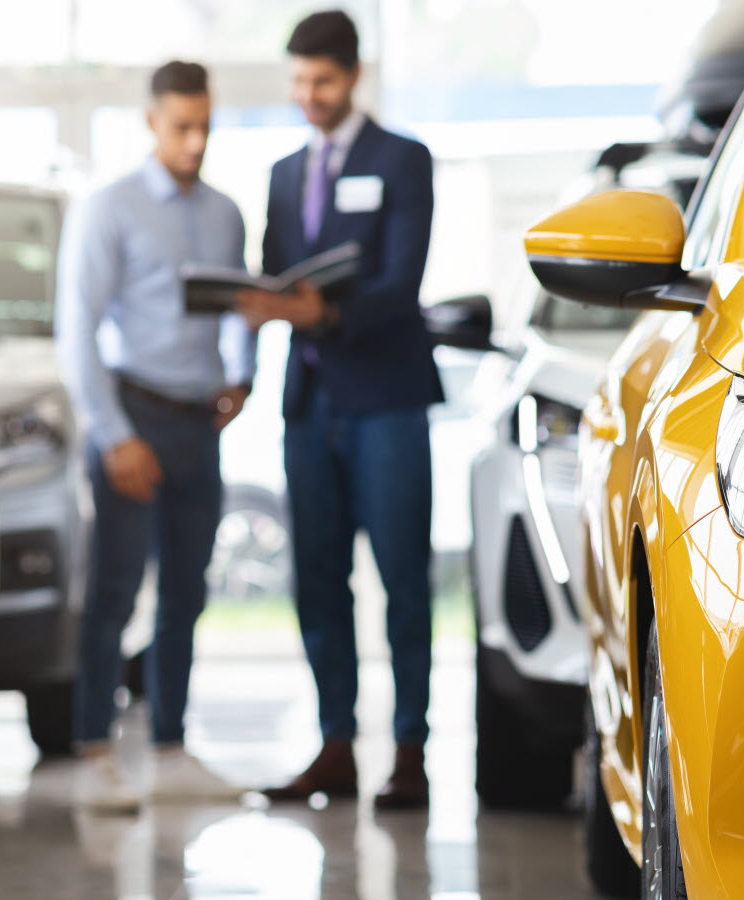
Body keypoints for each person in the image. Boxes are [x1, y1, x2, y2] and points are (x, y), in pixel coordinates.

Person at [238, 10, 443, 810]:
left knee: (403, 580)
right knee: (317, 579)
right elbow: (270, 275)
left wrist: (319, 314)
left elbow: (400, 284)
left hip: (385, 398)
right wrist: (254, 314)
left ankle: (411, 750)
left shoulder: (403, 159)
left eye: (321, 81)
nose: (308, 96)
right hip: (308, 405)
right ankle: (334, 747)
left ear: (353, 75)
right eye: (298, 82)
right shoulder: (286, 173)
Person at [57, 60, 254, 811]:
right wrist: (113, 435)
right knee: (113, 592)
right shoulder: (107, 209)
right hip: (131, 420)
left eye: (205, 125)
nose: (195, 141)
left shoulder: (226, 212)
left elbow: (239, 309)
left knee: (185, 593)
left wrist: (243, 378)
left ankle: (171, 747)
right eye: (181, 127)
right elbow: (76, 331)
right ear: (151, 122)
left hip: (199, 421)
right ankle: (96, 751)